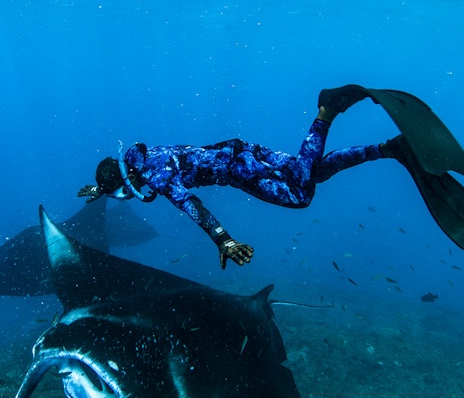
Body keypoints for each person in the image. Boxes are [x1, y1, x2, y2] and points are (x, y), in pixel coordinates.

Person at [78, 85, 402, 269]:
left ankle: (326, 112)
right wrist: (102, 188)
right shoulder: (143, 159)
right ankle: (386, 149)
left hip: (238, 170)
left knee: (300, 194)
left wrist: (224, 239)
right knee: (311, 171)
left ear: (128, 176)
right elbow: (125, 179)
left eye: (125, 190)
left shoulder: (156, 175)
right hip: (241, 149)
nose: (131, 193)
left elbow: (192, 206)